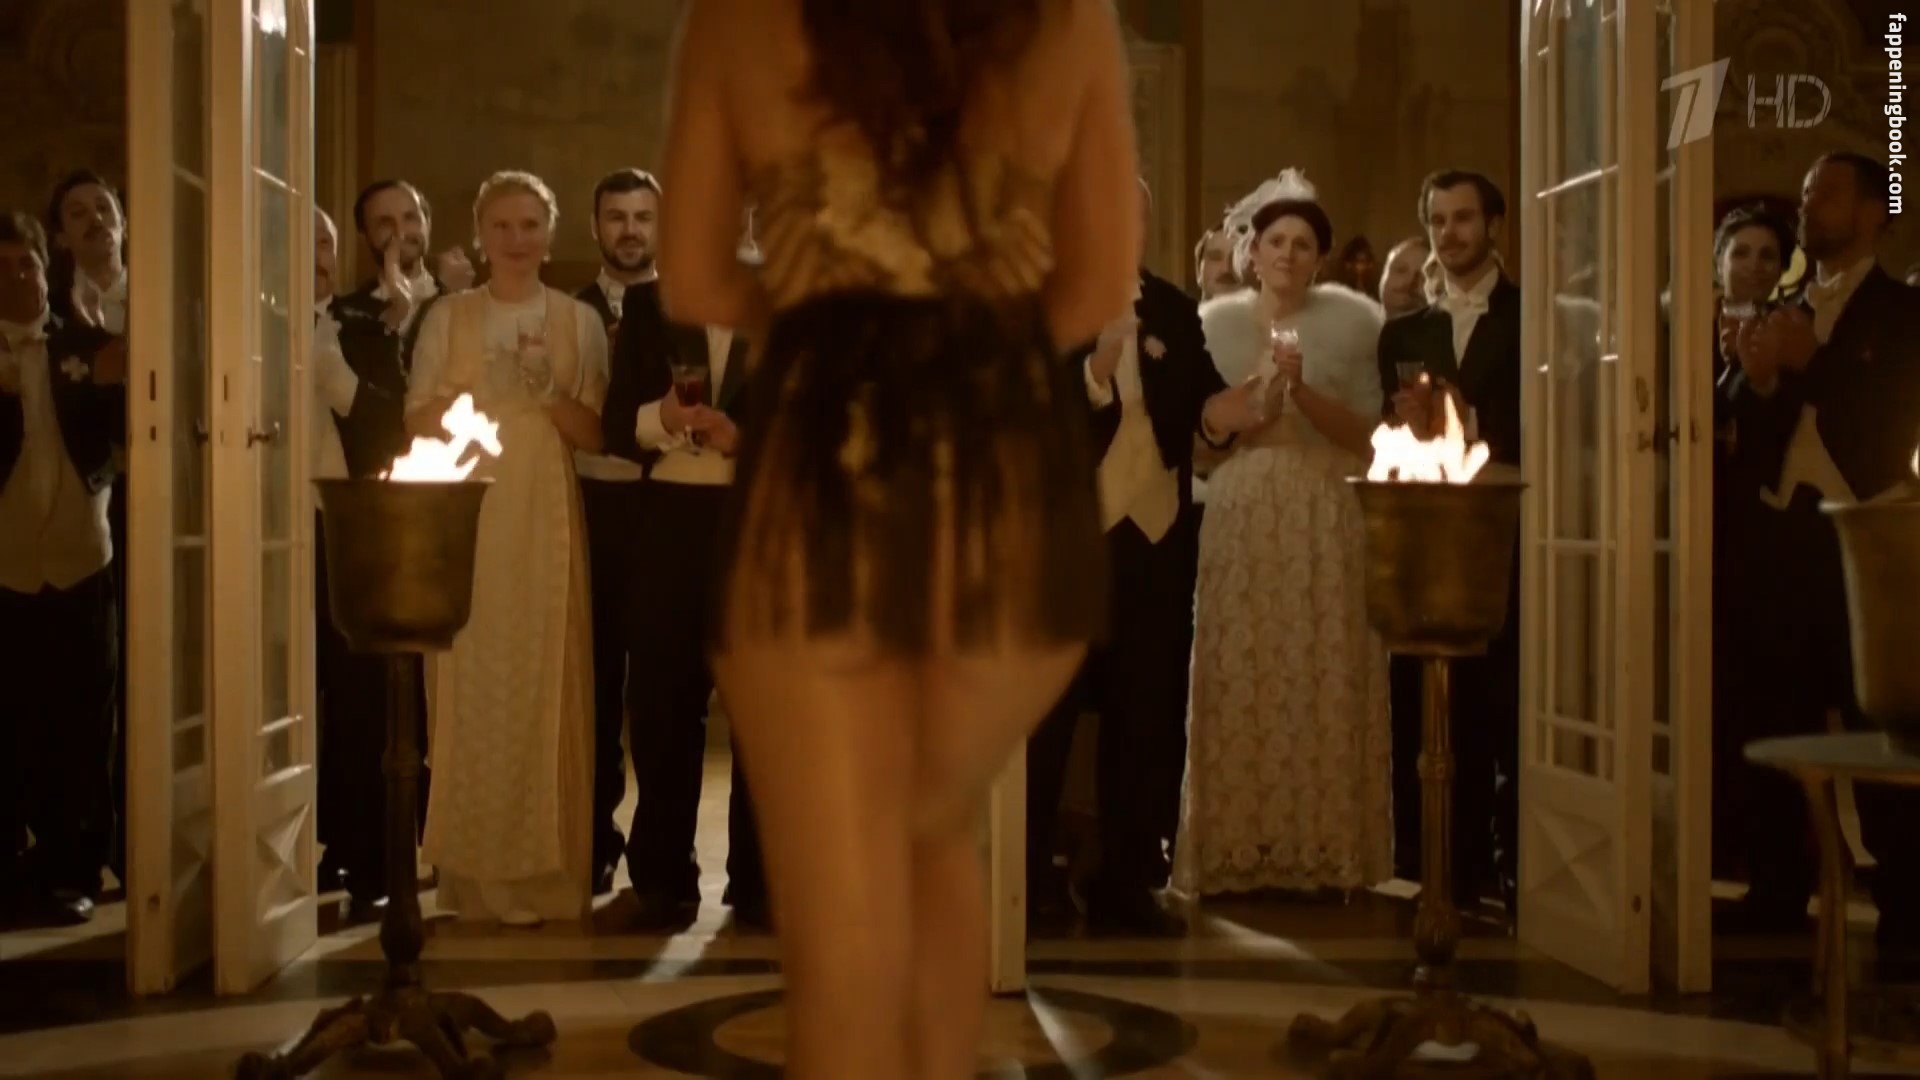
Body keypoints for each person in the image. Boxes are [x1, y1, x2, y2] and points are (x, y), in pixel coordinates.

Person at [653, 1, 1259, 1076]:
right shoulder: (1066, 19)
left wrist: (830, 310)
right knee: (932, 839)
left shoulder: (741, 19)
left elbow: (695, 276)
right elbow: (1095, 282)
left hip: (823, 473)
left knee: (841, 884)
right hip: (997, 481)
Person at [1175, 172, 1391, 900]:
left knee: (1322, 665)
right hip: (1242, 508)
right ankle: (1240, 846)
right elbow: (1201, 444)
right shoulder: (1215, 325)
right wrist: (1254, 407)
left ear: (1319, 258)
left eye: (1303, 245)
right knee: (1244, 670)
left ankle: (1322, 846)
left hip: (1324, 508)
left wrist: (1302, 393)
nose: (1289, 255)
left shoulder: (1355, 325)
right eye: (1277, 241)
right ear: (1254, 251)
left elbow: (1369, 437)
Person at [407, 171, 607, 927]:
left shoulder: (577, 321)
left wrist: (548, 390)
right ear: (480, 234)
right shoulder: (448, 316)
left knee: (545, 681)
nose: (516, 240)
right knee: (468, 681)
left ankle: (547, 878)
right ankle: (473, 878)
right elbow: (415, 418)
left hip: (543, 515)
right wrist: (472, 402)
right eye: (502, 226)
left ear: (550, 235)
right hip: (468, 512)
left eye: (529, 225)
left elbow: (595, 432)